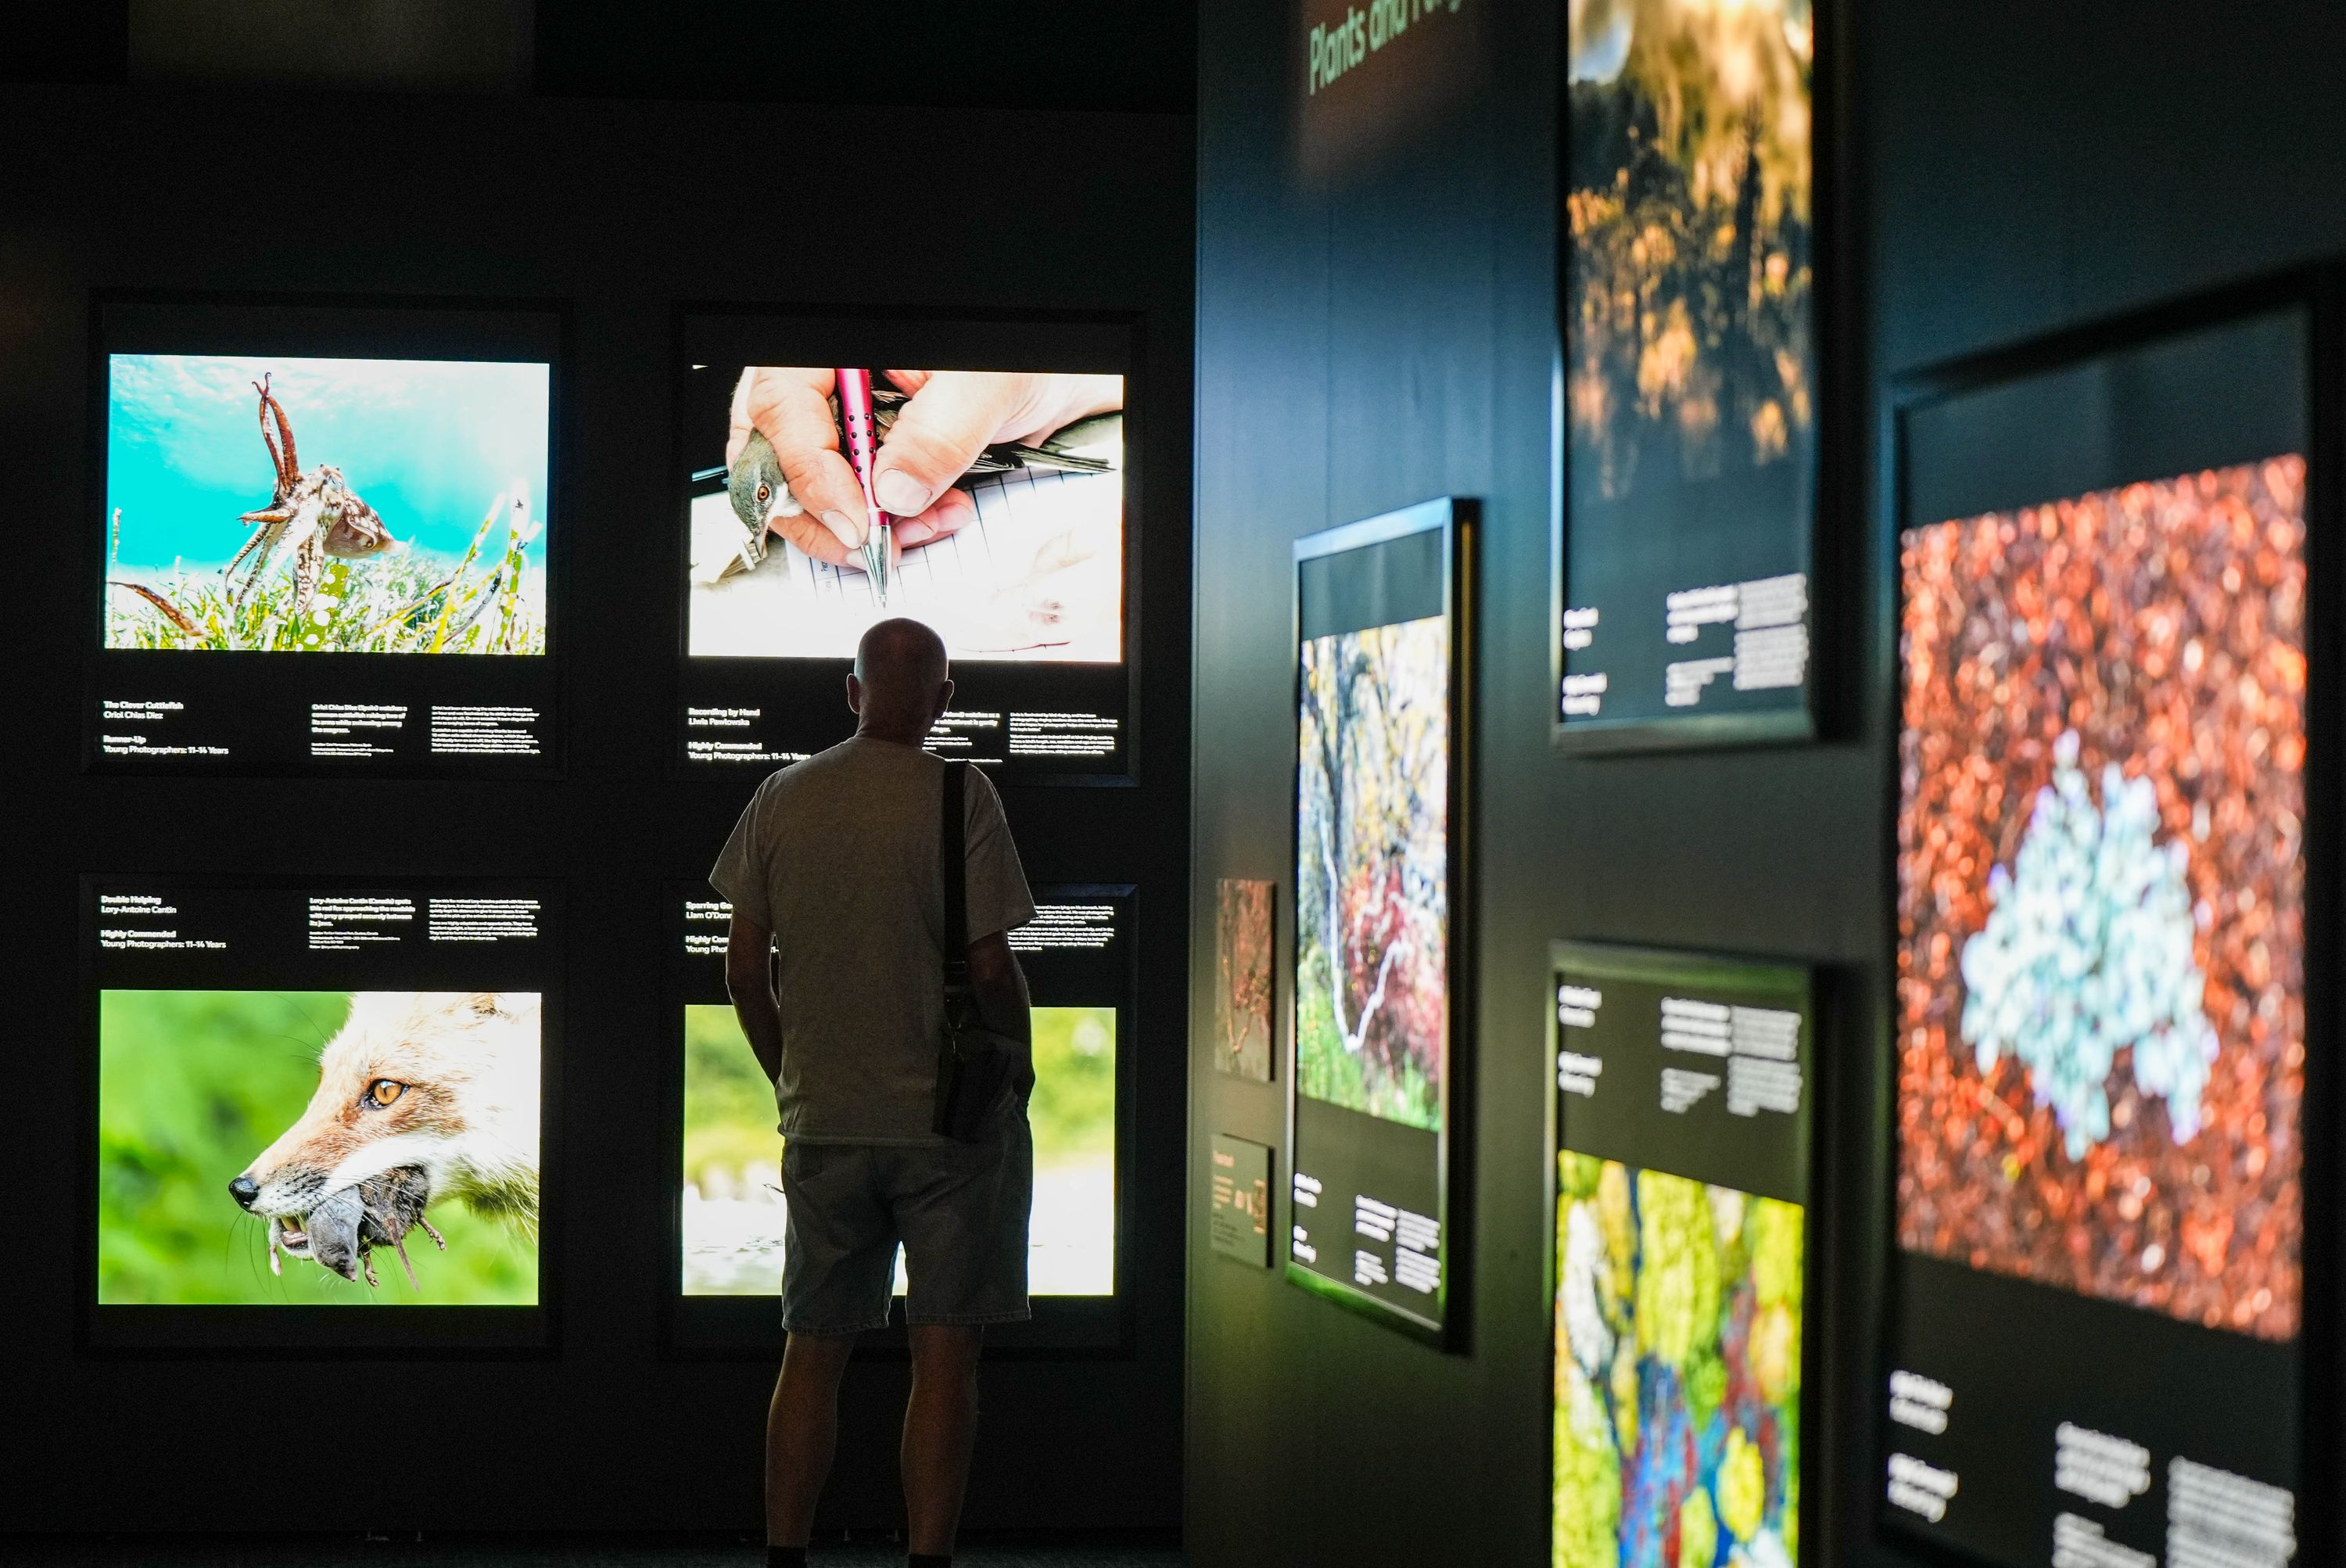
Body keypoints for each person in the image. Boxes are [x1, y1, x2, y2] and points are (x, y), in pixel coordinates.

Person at [710, 617, 1038, 1568]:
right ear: (944, 698)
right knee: (945, 1357)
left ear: (851, 692)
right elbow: (991, 966)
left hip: (825, 1123)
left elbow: (742, 970)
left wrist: (791, 1076)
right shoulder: (962, 793)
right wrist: (1015, 1066)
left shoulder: (781, 795)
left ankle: (785, 1555)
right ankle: (927, 1560)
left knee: (811, 1351)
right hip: (948, 1129)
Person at [727, 367, 1123, 572]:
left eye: (763, 496)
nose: (767, 522)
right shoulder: (786, 451)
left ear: (769, 476)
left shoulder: (818, 450)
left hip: (985, 435)